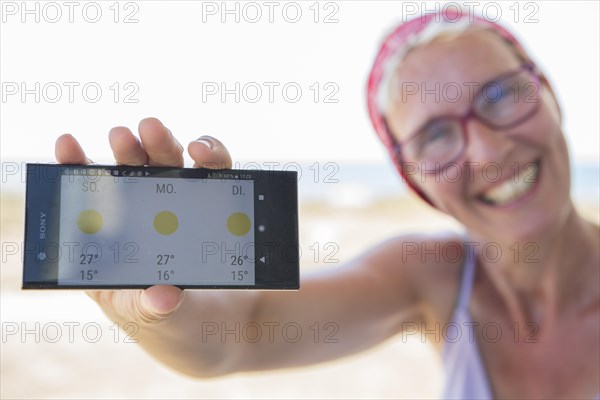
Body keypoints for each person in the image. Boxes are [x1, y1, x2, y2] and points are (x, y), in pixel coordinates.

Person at [54, 9, 599, 400]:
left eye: (501, 95)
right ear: (413, 178)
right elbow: (237, 339)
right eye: (436, 135)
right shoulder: (433, 279)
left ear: (548, 94)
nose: (487, 150)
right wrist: (165, 310)